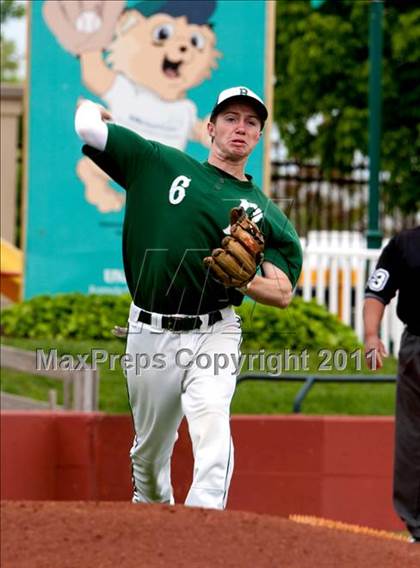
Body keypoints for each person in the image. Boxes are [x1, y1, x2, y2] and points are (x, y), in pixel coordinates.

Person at [75, 85, 302, 509]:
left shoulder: (266, 214)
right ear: (209, 128)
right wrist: (90, 107)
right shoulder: (160, 162)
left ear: (258, 137)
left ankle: (203, 529)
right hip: (149, 329)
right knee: (150, 453)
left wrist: (245, 282)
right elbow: (88, 126)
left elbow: (283, 293)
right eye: (231, 118)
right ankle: (154, 519)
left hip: (213, 329)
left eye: (252, 122)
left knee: (211, 417)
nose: (241, 127)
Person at [363, 226, 420, 542]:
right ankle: (416, 527)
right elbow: (377, 291)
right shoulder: (405, 244)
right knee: (413, 437)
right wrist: (371, 335)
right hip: (417, 348)